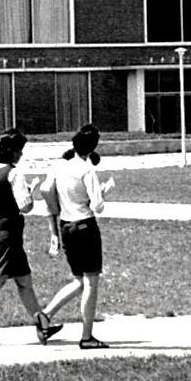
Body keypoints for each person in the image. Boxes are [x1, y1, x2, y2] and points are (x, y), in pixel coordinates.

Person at [0, 131, 63, 346]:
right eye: (19, 151)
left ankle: (42, 324)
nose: (21, 155)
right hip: (8, 232)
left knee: (24, 280)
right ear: (10, 152)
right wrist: (29, 191)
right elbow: (25, 206)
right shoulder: (14, 174)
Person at [41, 124, 115, 349]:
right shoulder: (87, 170)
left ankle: (46, 314)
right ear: (93, 148)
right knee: (91, 282)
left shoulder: (60, 168)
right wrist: (103, 191)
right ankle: (87, 336)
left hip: (66, 226)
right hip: (85, 225)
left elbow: (47, 190)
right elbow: (97, 206)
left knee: (79, 280)